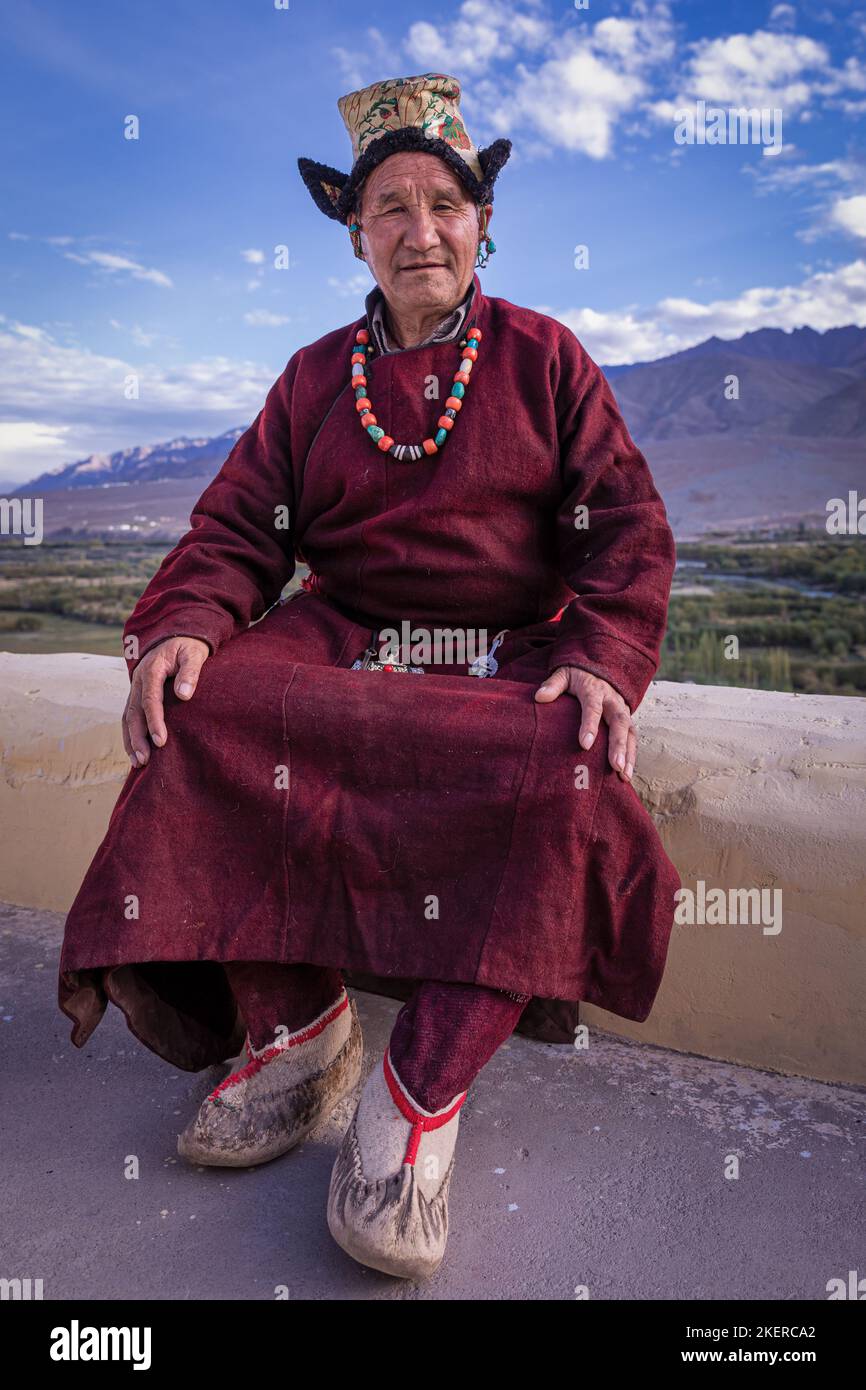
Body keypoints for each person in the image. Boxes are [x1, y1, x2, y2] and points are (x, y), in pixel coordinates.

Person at [59, 71, 681, 1281]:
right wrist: (190, 615)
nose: (418, 230)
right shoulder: (311, 378)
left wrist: (603, 651)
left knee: (557, 767)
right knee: (202, 705)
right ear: (354, 232)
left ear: (481, 222)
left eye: (441, 202)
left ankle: (416, 1091)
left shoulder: (546, 359)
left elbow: (626, 527)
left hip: (502, 645)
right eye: (387, 207)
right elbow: (240, 525)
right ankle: (298, 1030)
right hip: (343, 632)